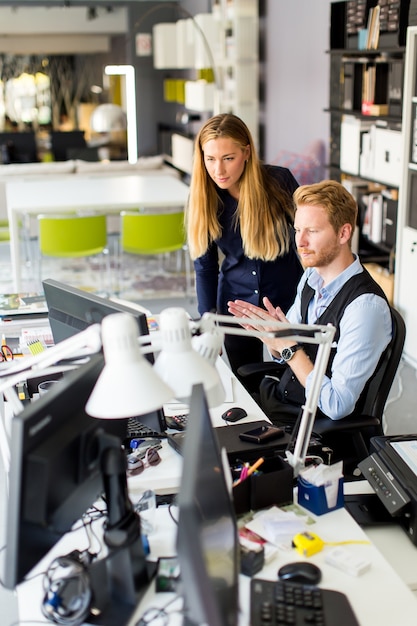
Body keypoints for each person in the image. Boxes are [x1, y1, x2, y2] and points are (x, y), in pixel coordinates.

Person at [227, 179, 392, 428]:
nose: (300, 242)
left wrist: (289, 348)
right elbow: (287, 349)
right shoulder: (311, 277)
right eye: (297, 230)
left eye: (312, 232)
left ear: (343, 233)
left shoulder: (365, 308)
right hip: (283, 403)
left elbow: (337, 405)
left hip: (312, 429)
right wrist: (273, 340)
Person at [185, 113, 303, 377]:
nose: (219, 170)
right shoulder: (204, 197)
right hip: (235, 306)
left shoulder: (279, 182)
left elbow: (307, 239)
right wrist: (209, 321)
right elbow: (205, 268)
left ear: (246, 152)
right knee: (247, 383)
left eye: (228, 158)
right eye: (210, 159)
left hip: (287, 304)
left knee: (292, 382)